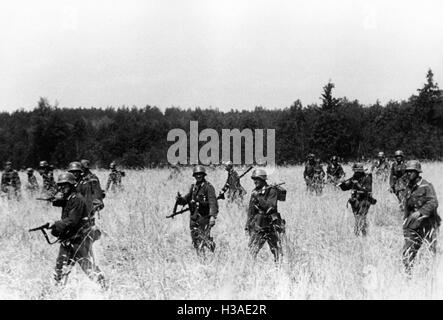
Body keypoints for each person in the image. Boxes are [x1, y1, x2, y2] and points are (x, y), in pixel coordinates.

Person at [46, 172, 107, 288]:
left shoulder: (77, 199)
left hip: (80, 241)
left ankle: (105, 288)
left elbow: (72, 221)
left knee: (89, 268)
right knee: (60, 269)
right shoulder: (69, 198)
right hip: (69, 240)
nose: (62, 188)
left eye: (65, 185)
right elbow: (58, 203)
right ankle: (55, 292)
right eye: (60, 185)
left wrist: (55, 224)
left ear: (72, 185)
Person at [402, 160, 441, 273]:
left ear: (418, 172)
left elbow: (433, 203)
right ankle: (408, 276)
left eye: (411, 172)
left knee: (430, 252)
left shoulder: (426, 186)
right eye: (407, 172)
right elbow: (407, 205)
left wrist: (420, 212)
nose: (408, 174)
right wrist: (406, 221)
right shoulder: (409, 187)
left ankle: (429, 277)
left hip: (429, 224)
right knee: (408, 252)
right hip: (413, 224)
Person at [175, 165, 218, 254]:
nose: (198, 176)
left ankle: (211, 248)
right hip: (194, 218)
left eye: (200, 174)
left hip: (204, 217)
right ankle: (201, 258)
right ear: (194, 176)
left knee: (203, 238)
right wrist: (179, 199)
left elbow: (213, 203)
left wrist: (212, 217)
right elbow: (186, 199)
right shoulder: (194, 187)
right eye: (196, 174)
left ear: (203, 175)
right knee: (195, 239)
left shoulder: (208, 187)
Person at [245, 168, 285, 262]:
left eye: (257, 179)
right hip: (258, 223)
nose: (255, 181)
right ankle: (252, 269)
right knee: (252, 248)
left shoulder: (272, 191)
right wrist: (248, 225)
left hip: (271, 224)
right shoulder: (254, 191)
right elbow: (251, 210)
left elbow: (271, 207)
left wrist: (258, 197)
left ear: (263, 180)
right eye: (254, 179)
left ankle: (278, 268)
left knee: (275, 248)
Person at [338, 163, 376, 236]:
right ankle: (360, 234)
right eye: (355, 171)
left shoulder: (367, 177)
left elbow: (367, 190)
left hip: (365, 200)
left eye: (358, 171)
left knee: (361, 216)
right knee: (357, 217)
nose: (356, 173)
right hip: (355, 200)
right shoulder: (354, 178)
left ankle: (359, 233)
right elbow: (346, 188)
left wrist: (357, 184)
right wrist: (342, 183)